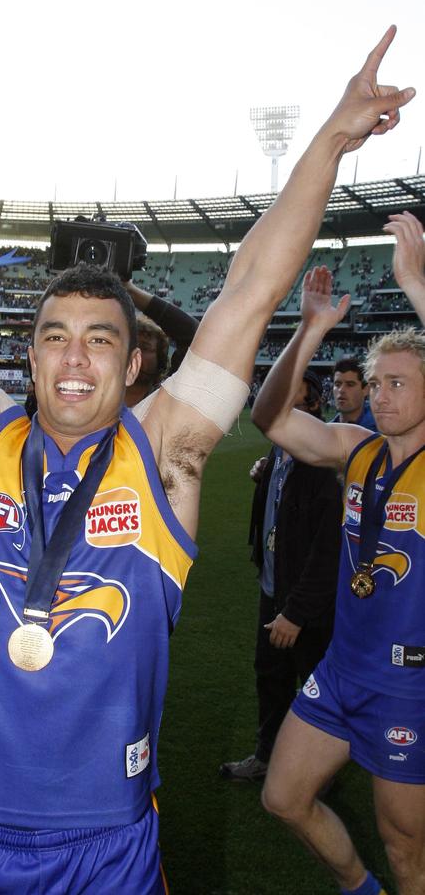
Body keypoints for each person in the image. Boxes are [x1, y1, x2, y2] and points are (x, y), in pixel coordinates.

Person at [0, 29, 413, 894]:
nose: (75, 359)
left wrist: (333, 138)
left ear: (132, 367)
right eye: (55, 339)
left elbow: (249, 292)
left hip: (109, 847)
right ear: (30, 359)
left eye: (99, 341)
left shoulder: (162, 455)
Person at [250, 211, 425, 895]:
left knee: (407, 849)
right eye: (376, 383)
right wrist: (309, 328)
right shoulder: (358, 450)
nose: (379, 396)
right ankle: (362, 889)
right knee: (283, 797)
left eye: (397, 383)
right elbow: (270, 419)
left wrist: (415, 285)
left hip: (410, 686)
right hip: (343, 670)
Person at [220, 370, 341, 783]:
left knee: (316, 688)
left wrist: (297, 612)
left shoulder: (325, 469)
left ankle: (319, 775)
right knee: (270, 678)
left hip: (305, 606)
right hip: (274, 590)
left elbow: (329, 555)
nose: (279, 410)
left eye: (293, 402)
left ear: (313, 409)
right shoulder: (277, 455)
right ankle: (267, 757)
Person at [123, 280, 198, 406]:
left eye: (144, 347)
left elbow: (194, 335)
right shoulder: (99, 398)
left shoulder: (168, 397)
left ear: (160, 359)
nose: (134, 353)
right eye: (130, 346)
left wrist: (131, 292)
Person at [332, 356, 376, 428]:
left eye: (350, 385)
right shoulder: (326, 432)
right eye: (337, 384)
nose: (341, 390)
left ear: (366, 390)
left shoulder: (382, 431)